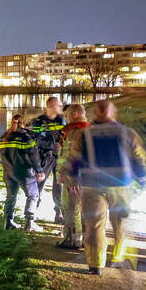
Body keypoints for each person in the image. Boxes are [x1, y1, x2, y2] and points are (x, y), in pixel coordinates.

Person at [64, 99, 146, 274]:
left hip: (92, 186)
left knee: (94, 225)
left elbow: (74, 158)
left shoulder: (84, 134)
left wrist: (71, 177)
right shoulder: (126, 133)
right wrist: (142, 179)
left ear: (95, 113)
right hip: (120, 185)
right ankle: (117, 256)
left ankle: (95, 264)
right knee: (119, 224)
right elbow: (137, 159)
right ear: (114, 113)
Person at [0, 113, 45, 231]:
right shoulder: (26, 135)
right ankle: (29, 223)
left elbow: (2, 153)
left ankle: (8, 222)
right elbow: (32, 154)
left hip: (8, 171)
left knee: (11, 196)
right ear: (24, 123)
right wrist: (39, 170)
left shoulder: (5, 136)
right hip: (23, 171)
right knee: (33, 195)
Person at [55, 104, 90, 249]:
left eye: (67, 114)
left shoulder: (76, 131)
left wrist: (65, 173)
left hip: (74, 177)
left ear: (75, 113)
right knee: (79, 208)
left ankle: (72, 239)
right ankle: (81, 239)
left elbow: (74, 156)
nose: (65, 117)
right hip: (82, 176)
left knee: (71, 207)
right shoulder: (88, 129)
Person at [29, 97, 66, 223]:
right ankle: (32, 213)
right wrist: (50, 145)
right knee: (39, 183)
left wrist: (61, 145)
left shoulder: (62, 120)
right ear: (50, 106)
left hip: (59, 157)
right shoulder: (39, 122)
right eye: (58, 105)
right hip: (44, 156)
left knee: (59, 185)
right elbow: (34, 140)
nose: (61, 108)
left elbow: (66, 136)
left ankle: (59, 212)